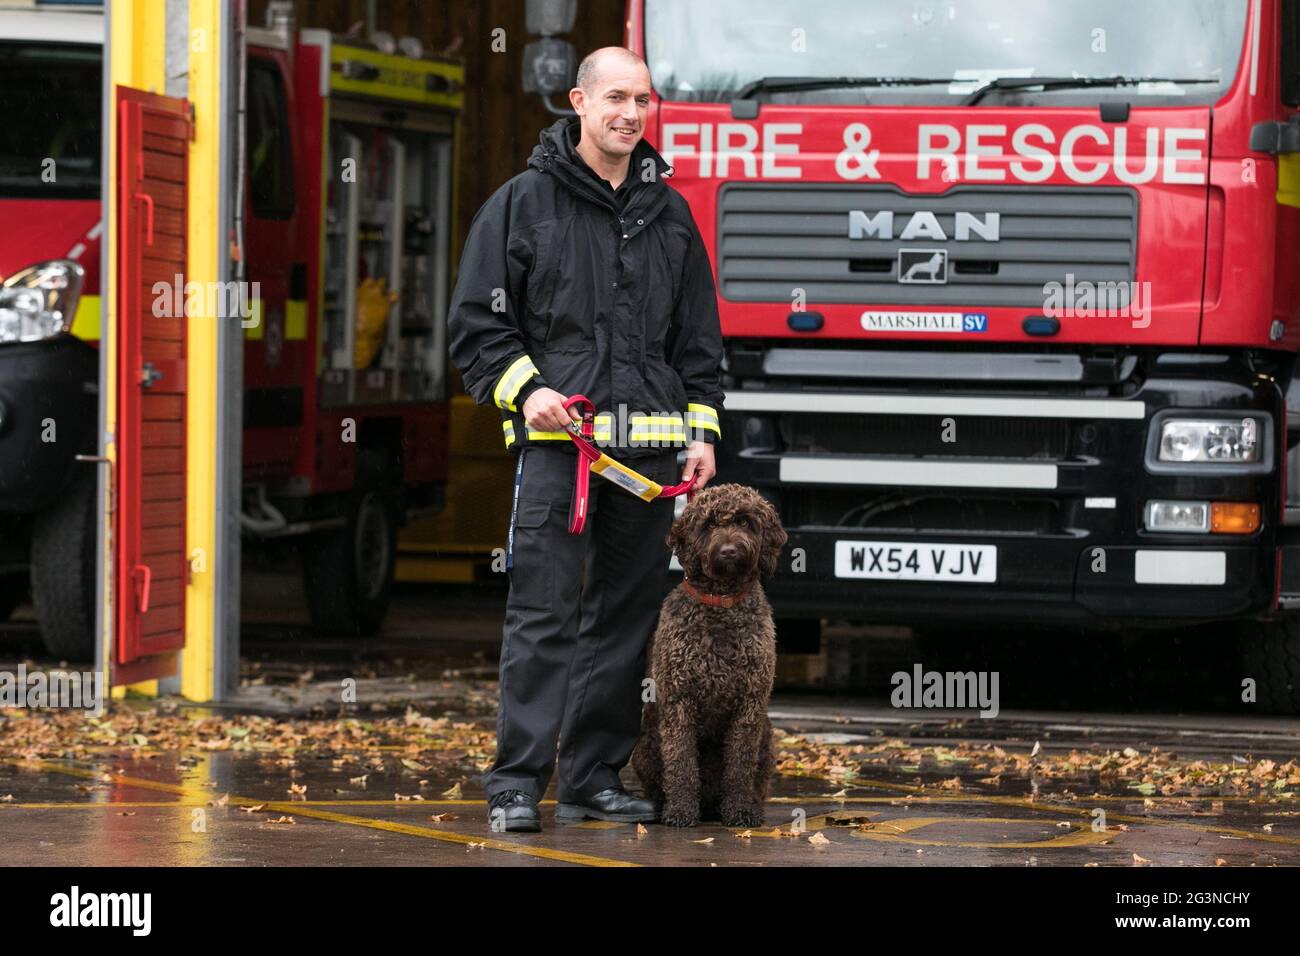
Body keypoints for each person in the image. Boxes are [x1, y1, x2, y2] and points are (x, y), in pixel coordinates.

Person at [447, 46, 725, 833]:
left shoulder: (670, 214)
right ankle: (513, 786)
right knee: (542, 615)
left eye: (642, 100)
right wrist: (528, 391)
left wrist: (701, 434)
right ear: (578, 101)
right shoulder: (523, 204)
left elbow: (698, 343)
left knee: (625, 618)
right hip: (558, 461)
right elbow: (477, 325)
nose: (629, 114)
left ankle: (591, 775)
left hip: (647, 464)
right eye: (614, 99)